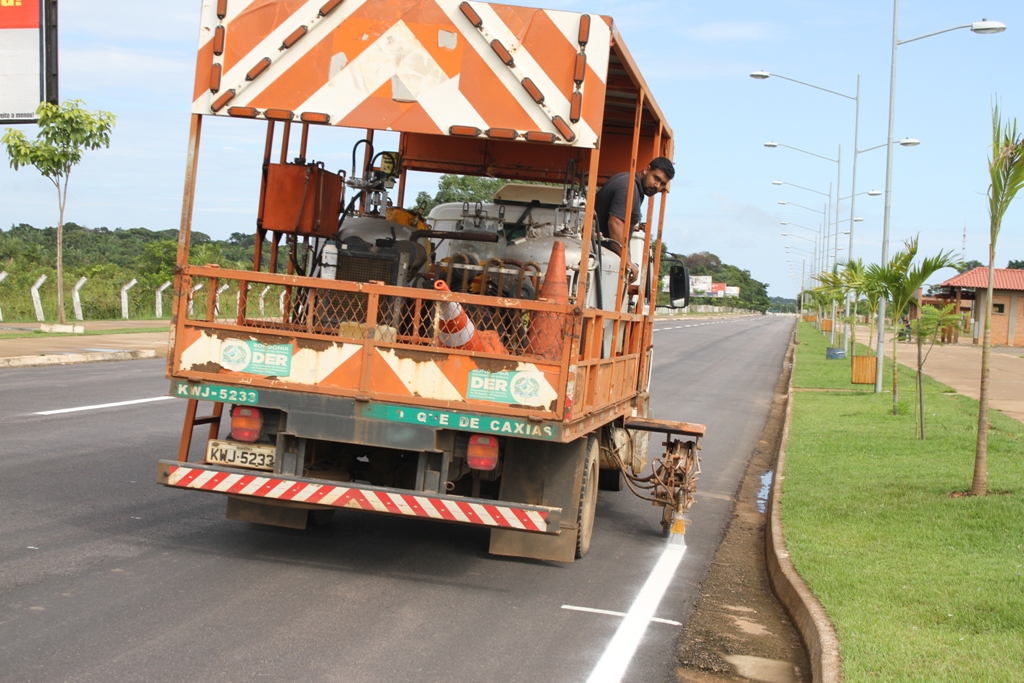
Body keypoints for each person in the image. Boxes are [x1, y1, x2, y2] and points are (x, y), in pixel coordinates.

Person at [593, 156, 675, 282]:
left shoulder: (630, 183)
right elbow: (615, 223)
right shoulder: (628, 188)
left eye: (662, 183)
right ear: (647, 169)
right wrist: (627, 261)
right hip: (599, 260)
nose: (657, 186)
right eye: (656, 178)